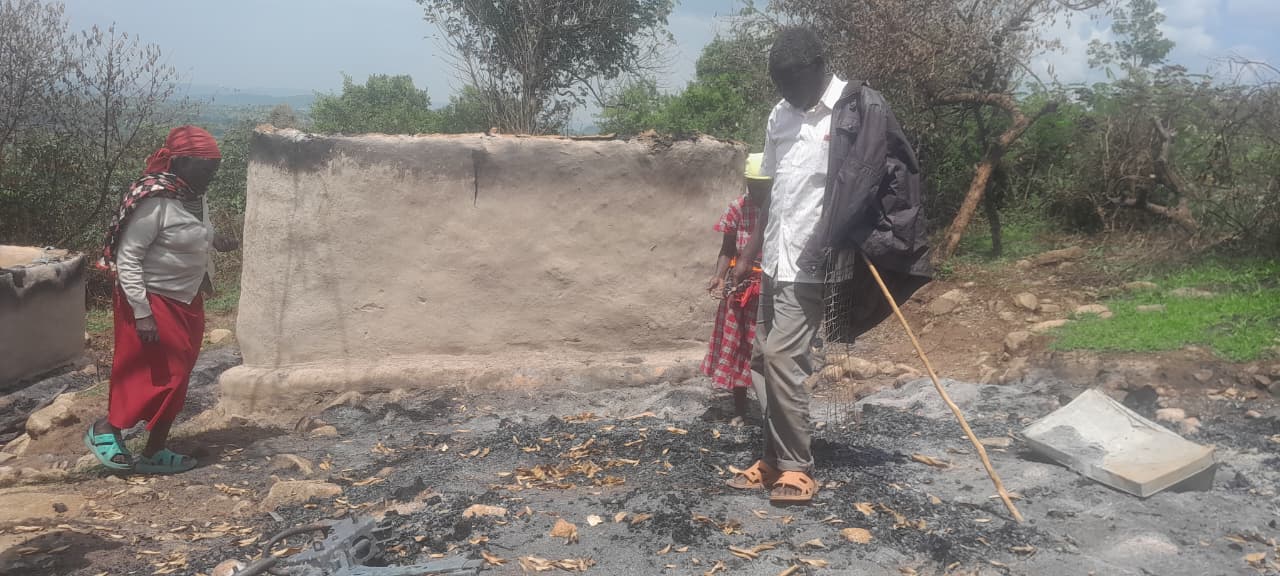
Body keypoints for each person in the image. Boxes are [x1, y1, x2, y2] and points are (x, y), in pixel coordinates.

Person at [726, 27, 931, 504]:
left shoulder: (860, 109)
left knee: (783, 357)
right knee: (760, 357)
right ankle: (774, 457)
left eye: (794, 82)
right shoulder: (781, 113)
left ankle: (798, 467)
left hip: (818, 259)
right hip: (779, 254)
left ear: (819, 68)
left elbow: (867, 181)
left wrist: (826, 241)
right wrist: (751, 255)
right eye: (780, 84)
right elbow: (773, 194)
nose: (788, 93)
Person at [84, 125, 238, 474]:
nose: (211, 175)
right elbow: (129, 258)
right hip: (151, 300)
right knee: (147, 373)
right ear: (181, 163)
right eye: (206, 168)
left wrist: (215, 240)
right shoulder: (155, 200)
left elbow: (190, 232)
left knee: (179, 376)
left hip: (187, 298)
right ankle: (106, 429)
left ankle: (155, 450)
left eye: (215, 168)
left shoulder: (193, 196)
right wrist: (142, 314)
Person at [701, 153, 770, 426]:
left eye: (764, 185)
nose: (759, 190)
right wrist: (719, 276)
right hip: (739, 288)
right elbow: (727, 248)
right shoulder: (737, 208)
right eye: (754, 184)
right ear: (747, 181)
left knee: (764, 348)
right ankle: (740, 411)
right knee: (738, 346)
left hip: (768, 287)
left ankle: (771, 410)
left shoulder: (780, 210)